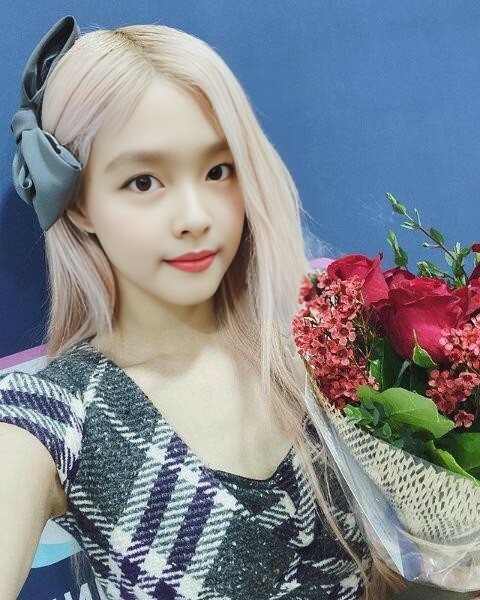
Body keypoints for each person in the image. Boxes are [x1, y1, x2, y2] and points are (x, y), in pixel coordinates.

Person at [1, 15, 402, 600]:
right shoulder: (58, 416)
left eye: (218, 171)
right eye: (143, 182)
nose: (195, 216)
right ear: (79, 203)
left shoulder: (318, 353)